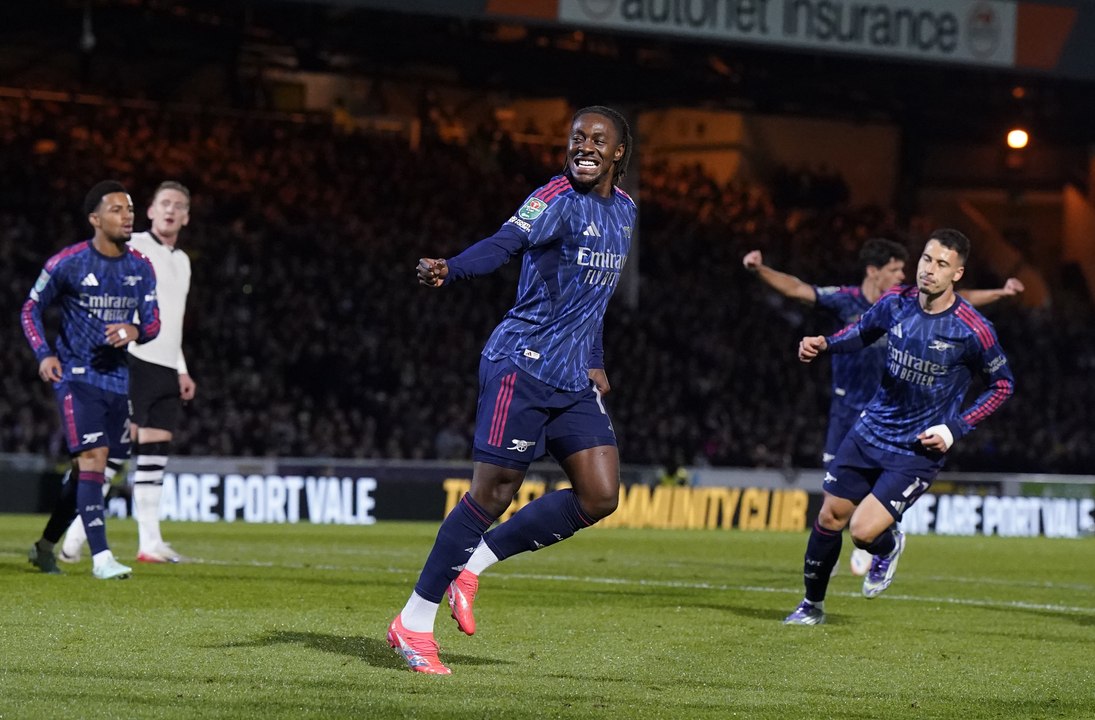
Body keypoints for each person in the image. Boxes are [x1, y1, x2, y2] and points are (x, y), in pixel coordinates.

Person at [387, 106, 636, 674]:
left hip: (572, 378)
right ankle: (413, 621)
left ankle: (473, 565)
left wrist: (594, 358)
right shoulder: (552, 200)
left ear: (619, 152)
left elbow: (592, 298)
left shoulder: (625, 211)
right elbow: (504, 244)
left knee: (599, 495)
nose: (585, 146)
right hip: (519, 365)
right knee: (491, 495)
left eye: (598, 140)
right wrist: (453, 268)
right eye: (577, 138)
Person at [743, 241, 1024, 573]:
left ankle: (876, 535)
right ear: (873, 271)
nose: (906, 274)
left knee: (864, 520)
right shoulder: (854, 301)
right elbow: (799, 289)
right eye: (896, 269)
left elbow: (961, 304)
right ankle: (825, 574)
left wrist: (999, 294)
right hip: (850, 414)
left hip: (897, 414)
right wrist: (760, 270)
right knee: (834, 506)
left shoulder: (926, 308)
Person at [21, 180, 160, 580]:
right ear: (95, 219)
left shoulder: (140, 266)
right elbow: (30, 308)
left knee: (88, 474)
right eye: (117, 209)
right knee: (93, 459)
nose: (127, 215)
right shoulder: (68, 262)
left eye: (130, 208)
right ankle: (101, 558)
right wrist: (43, 353)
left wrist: (137, 332)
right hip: (76, 376)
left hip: (118, 380)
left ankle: (45, 547)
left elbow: (153, 322)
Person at [60, 181, 195, 564]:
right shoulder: (133, 246)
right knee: (115, 454)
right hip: (133, 358)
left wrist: (181, 368)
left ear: (185, 216)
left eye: (178, 205)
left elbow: (173, 323)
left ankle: (149, 542)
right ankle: (74, 535)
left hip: (166, 366)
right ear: (151, 210)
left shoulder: (182, 261)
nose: (170, 210)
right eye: (164, 203)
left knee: (154, 454)